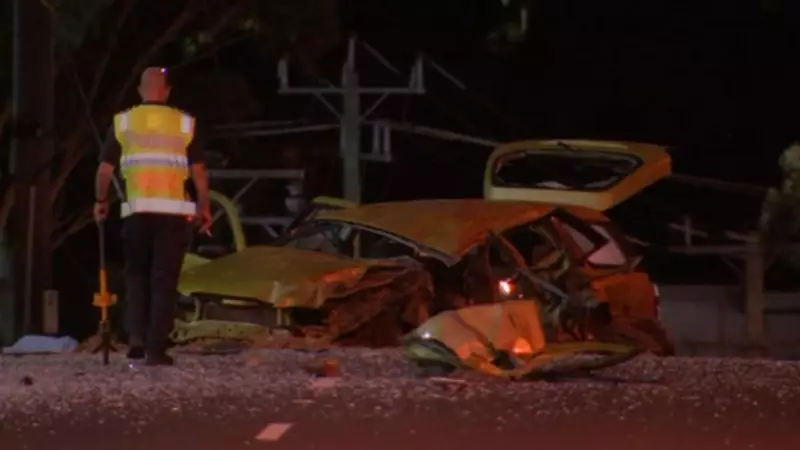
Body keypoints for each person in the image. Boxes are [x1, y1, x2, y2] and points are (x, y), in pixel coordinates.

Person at [93, 67, 212, 366]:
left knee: (136, 275)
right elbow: (198, 170)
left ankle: (136, 338)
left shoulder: (124, 122)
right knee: (164, 279)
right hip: (172, 215)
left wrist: (101, 201)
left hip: (137, 213)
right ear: (167, 91)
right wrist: (204, 205)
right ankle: (156, 348)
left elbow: (104, 171)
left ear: (139, 90)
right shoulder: (183, 123)